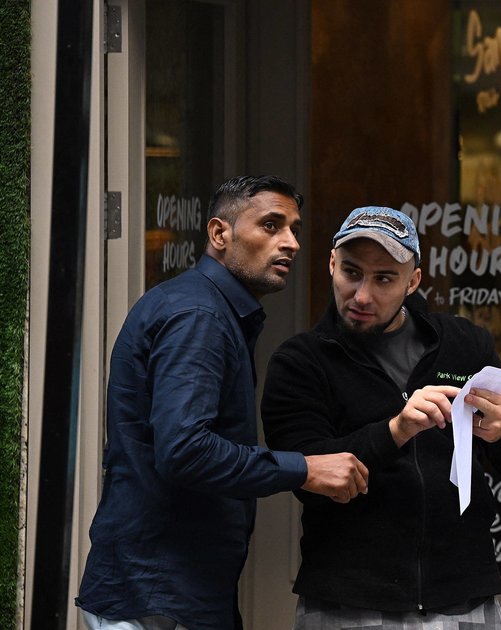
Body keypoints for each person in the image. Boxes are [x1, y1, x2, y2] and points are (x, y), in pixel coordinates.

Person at [76, 175, 370, 630]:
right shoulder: (200, 315)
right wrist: (305, 469)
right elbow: (185, 450)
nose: (291, 242)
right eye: (271, 225)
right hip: (158, 596)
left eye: (294, 229)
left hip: (171, 590)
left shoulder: (204, 307)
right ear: (219, 233)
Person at [260, 206, 501, 629]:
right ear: (332, 264)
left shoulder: (464, 344)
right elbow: (308, 475)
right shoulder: (300, 362)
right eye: (352, 272)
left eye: (384, 279)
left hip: (463, 596)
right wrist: (397, 430)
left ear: (413, 282)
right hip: (349, 601)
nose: (362, 295)